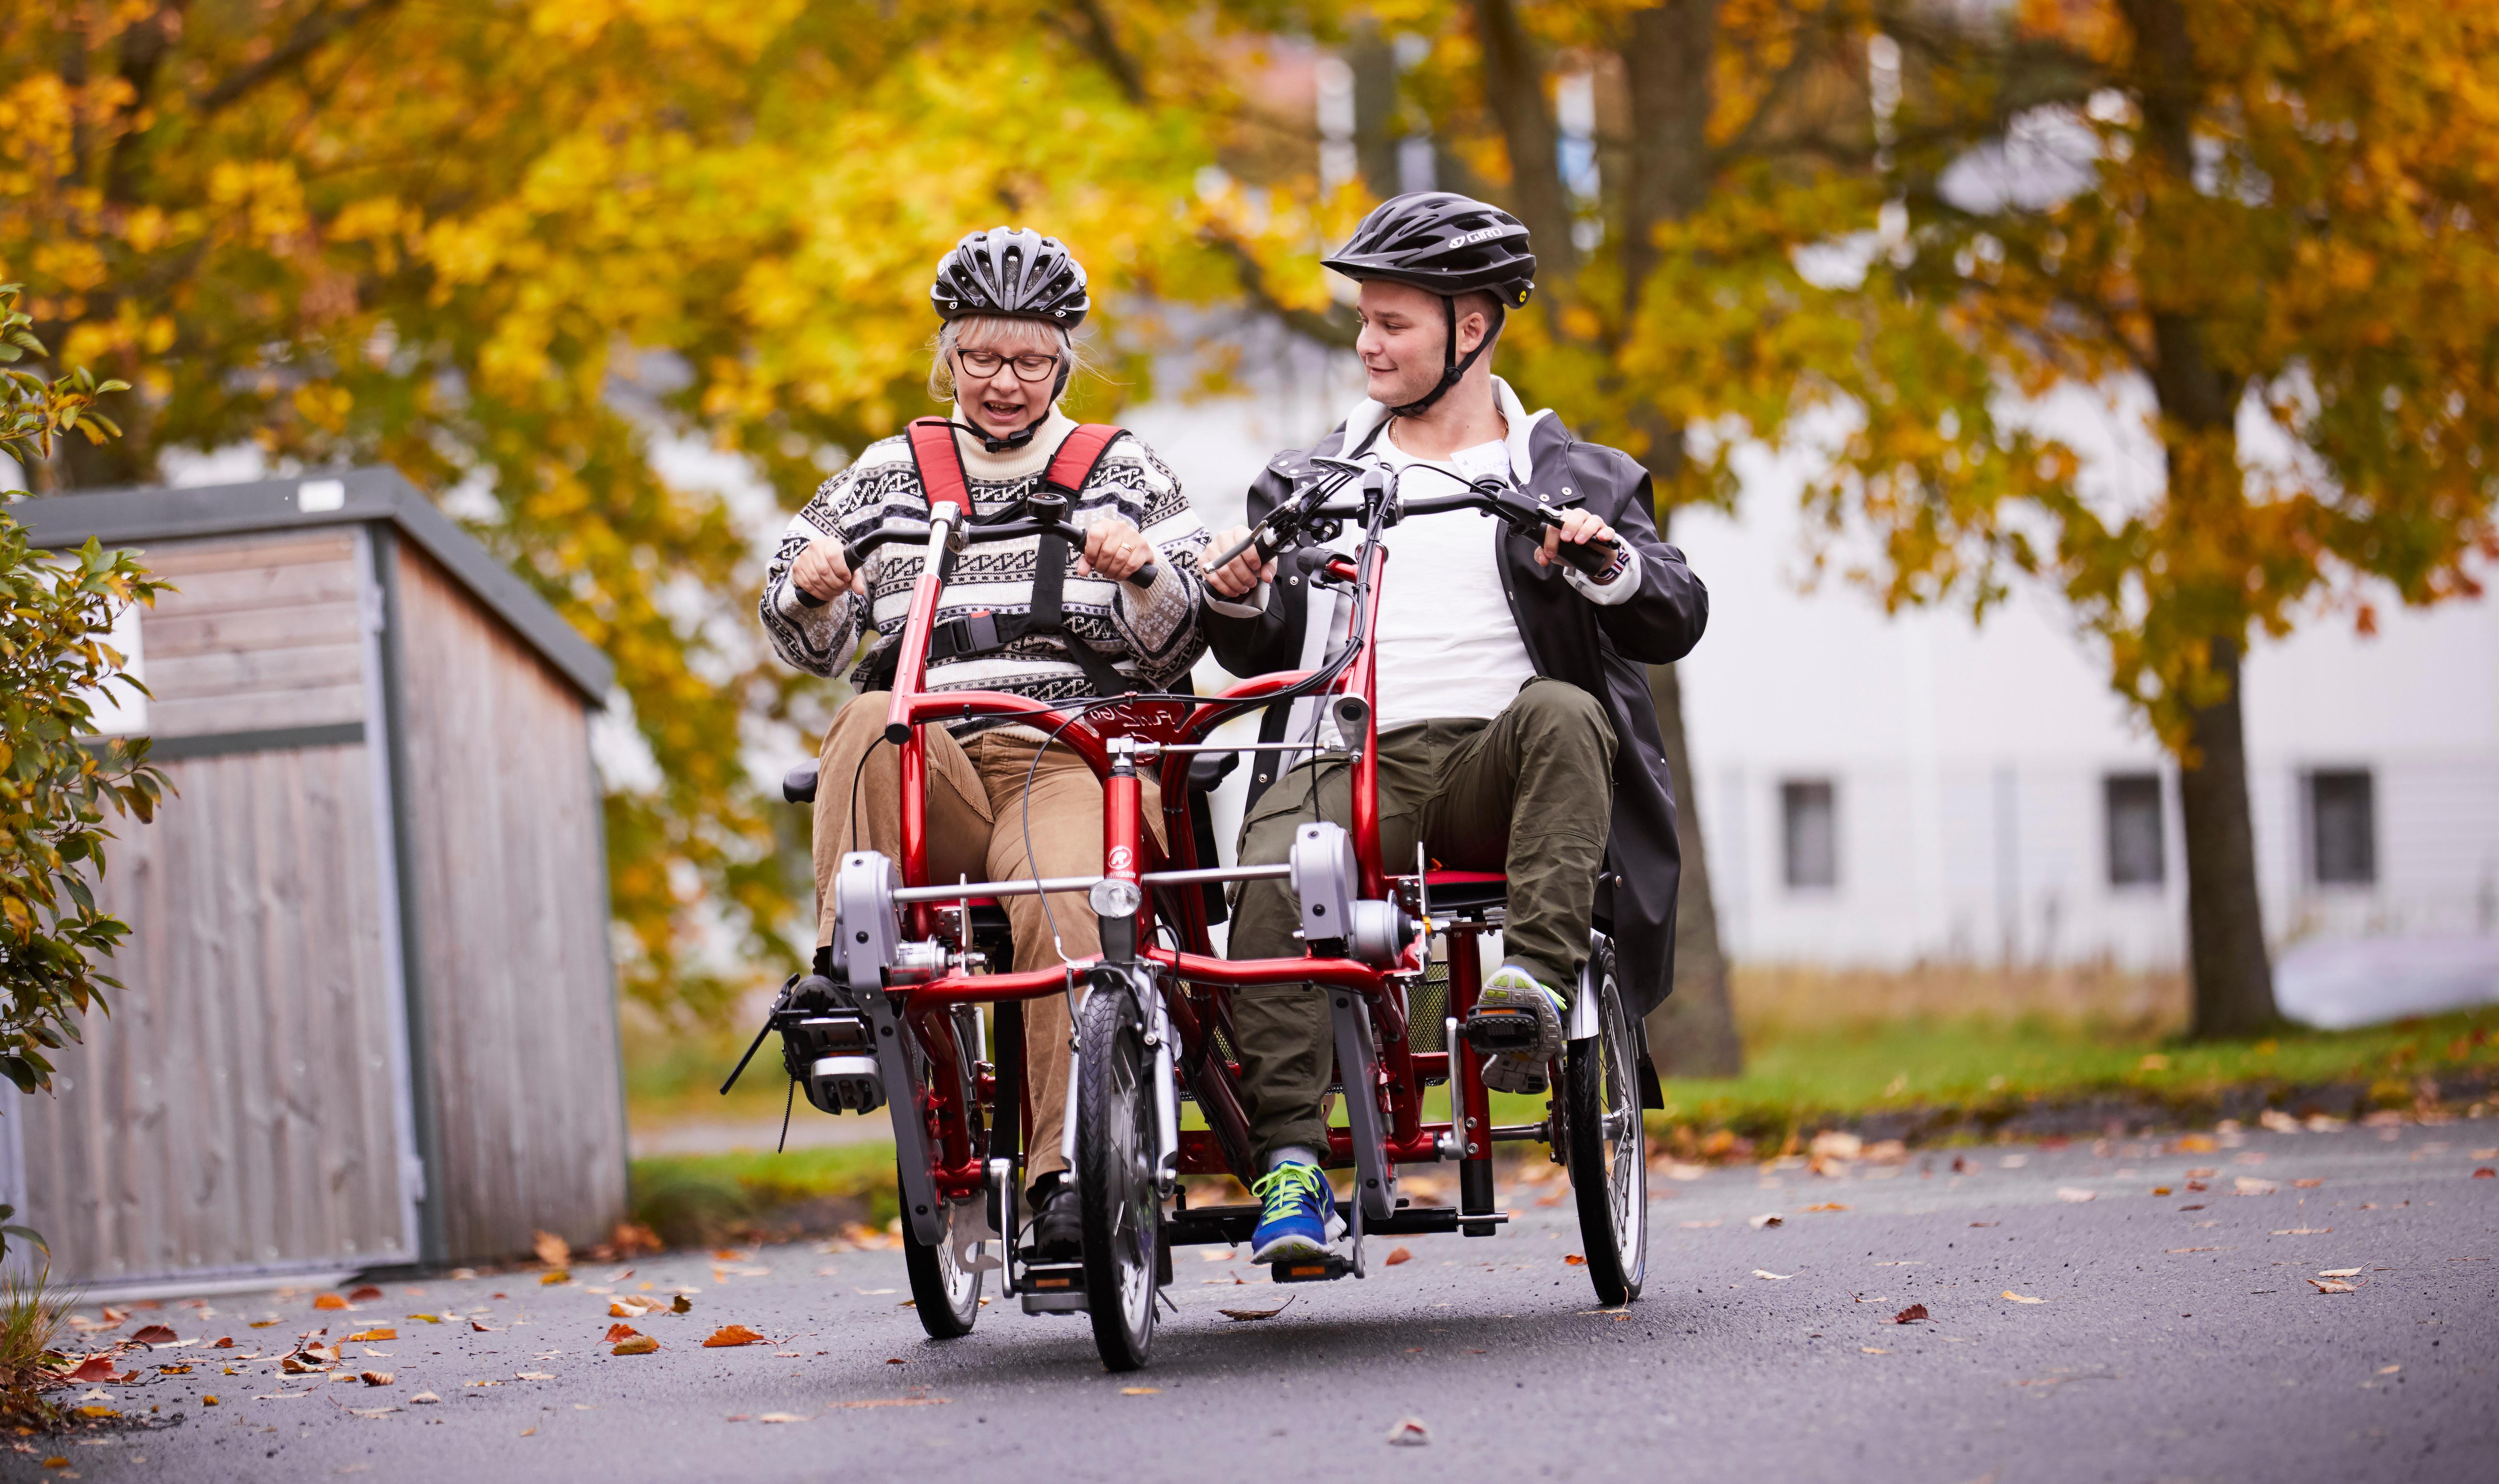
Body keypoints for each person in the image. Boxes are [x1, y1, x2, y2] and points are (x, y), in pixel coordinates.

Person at [1200, 193, 1708, 1265]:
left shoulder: (1579, 477)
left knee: (1566, 709)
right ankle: (1292, 1165)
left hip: (1503, 763)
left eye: (1393, 323)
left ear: (1469, 328)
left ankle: (1530, 987)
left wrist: (1601, 559)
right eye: (1363, 320)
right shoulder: (1312, 480)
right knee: (1274, 854)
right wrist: (1240, 593)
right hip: (1354, 753)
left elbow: (1674, 610)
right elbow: (1256, 646)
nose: (1366, 343)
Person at [760, 227, 1210, 1258]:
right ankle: (843, 976)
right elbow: (803, 635)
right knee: (870, 718)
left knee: (1063, 906)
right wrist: (815, 588)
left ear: (1065, 358)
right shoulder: (886, 474)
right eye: (980, 358)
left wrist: (1141, 569)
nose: (1003, 382)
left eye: (1030, 360)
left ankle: (1065, 1179)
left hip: (1075, 752)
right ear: (945, 354)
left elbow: (1189, 632)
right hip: (940, 758)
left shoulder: (1125, 466)